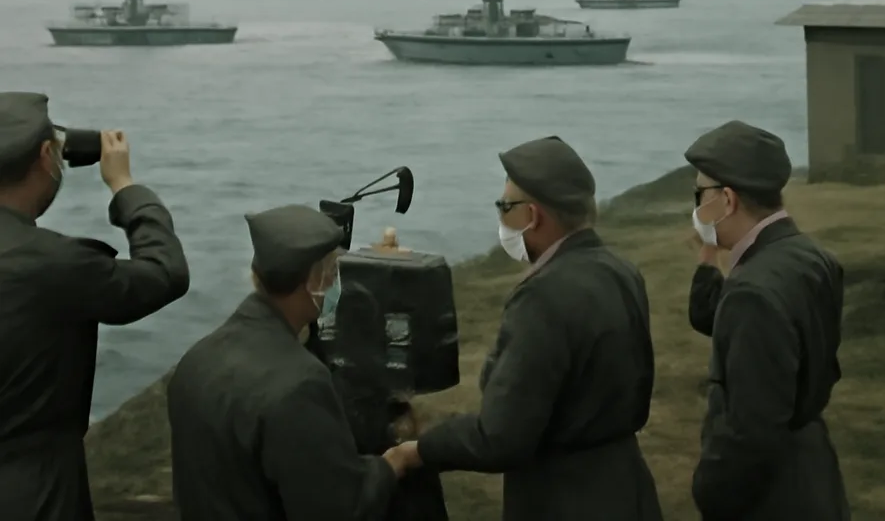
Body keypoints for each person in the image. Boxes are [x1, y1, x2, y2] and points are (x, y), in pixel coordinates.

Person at [385, 135, 663, 521]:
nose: (500, 215)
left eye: (505, 206)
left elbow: (500, 436)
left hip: (564, 499)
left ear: (532, 216)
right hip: (628, 487)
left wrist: (417, 450)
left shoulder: (544, 297)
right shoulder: (622, 272)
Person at [0, 91, 191, 521]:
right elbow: (164, 274)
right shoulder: (53, 264)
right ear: (48, 155)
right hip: (33, 492)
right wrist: (125, 186)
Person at [166, 203, 403, 520]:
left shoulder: (196, 360)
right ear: (313, 282)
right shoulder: (300, 384)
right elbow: (339, 507)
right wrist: (395, 462)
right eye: (332, 273)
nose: (335, 282)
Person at [685, 120, 850, 520]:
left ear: (727, 199)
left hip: (772, 495)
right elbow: (715, 316)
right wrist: (709, 255)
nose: (695, 208)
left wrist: (709, 491)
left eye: (699, 194)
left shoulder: (752, 291)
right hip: (814, 468)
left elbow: (751, 431)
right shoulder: (810, 256)